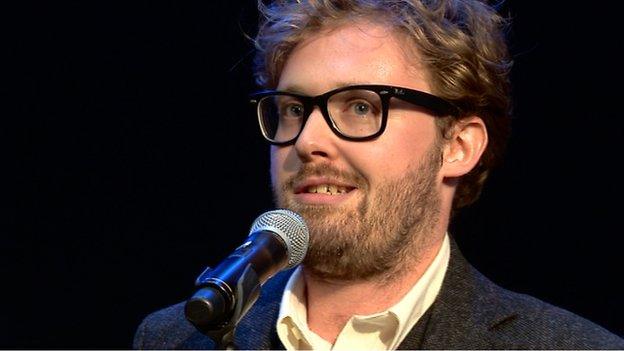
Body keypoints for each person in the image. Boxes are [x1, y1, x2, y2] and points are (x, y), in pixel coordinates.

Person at [133, 0, 624, 349]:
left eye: (362, 107)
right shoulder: (176, 338)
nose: (307, 141)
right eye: (291, 109)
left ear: (458, 145)